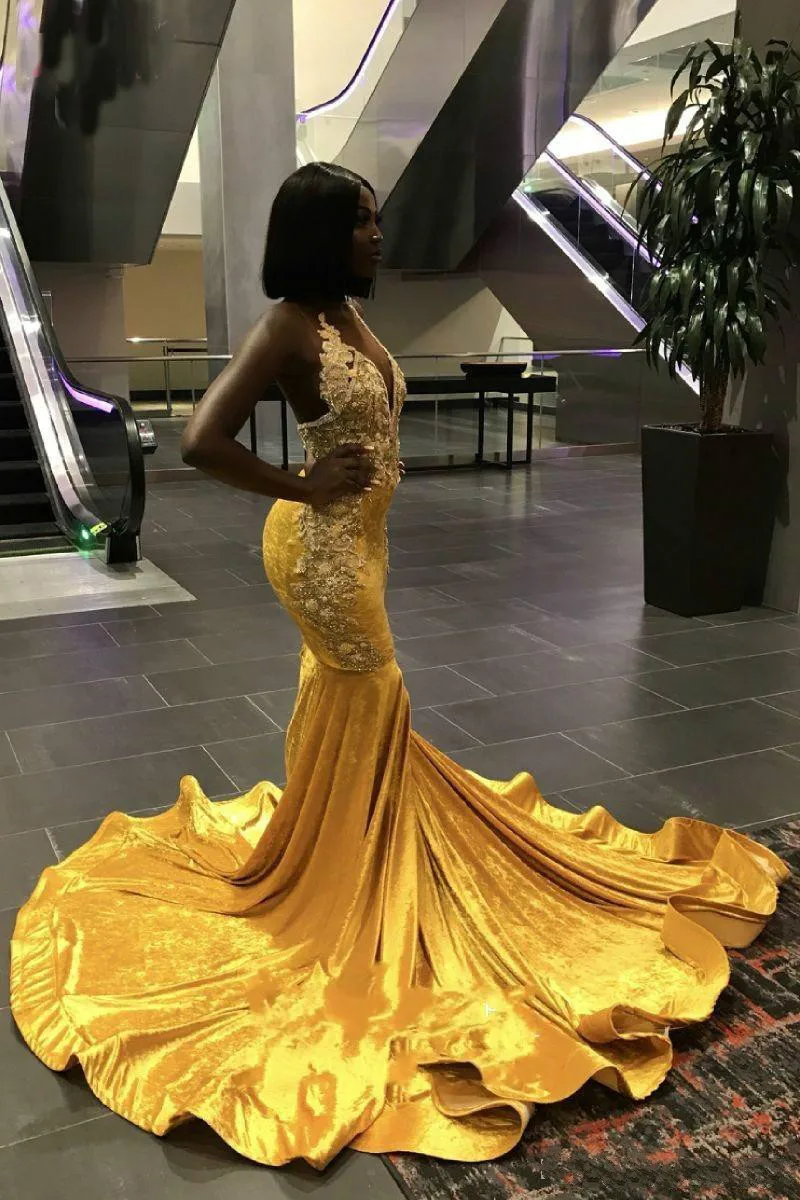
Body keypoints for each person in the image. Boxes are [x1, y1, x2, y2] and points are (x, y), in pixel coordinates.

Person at [10, 163, 789, 1171]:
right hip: (321, 553)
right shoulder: (291, 325)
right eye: (362, 223)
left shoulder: (346, 316)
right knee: (373, 693)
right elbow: (200, 439)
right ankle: (349, 875)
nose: (378, 236)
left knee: (360, 706)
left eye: (376, 220)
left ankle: (346, 841)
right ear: (319, 235)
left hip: (360, 544)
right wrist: (300, 482)